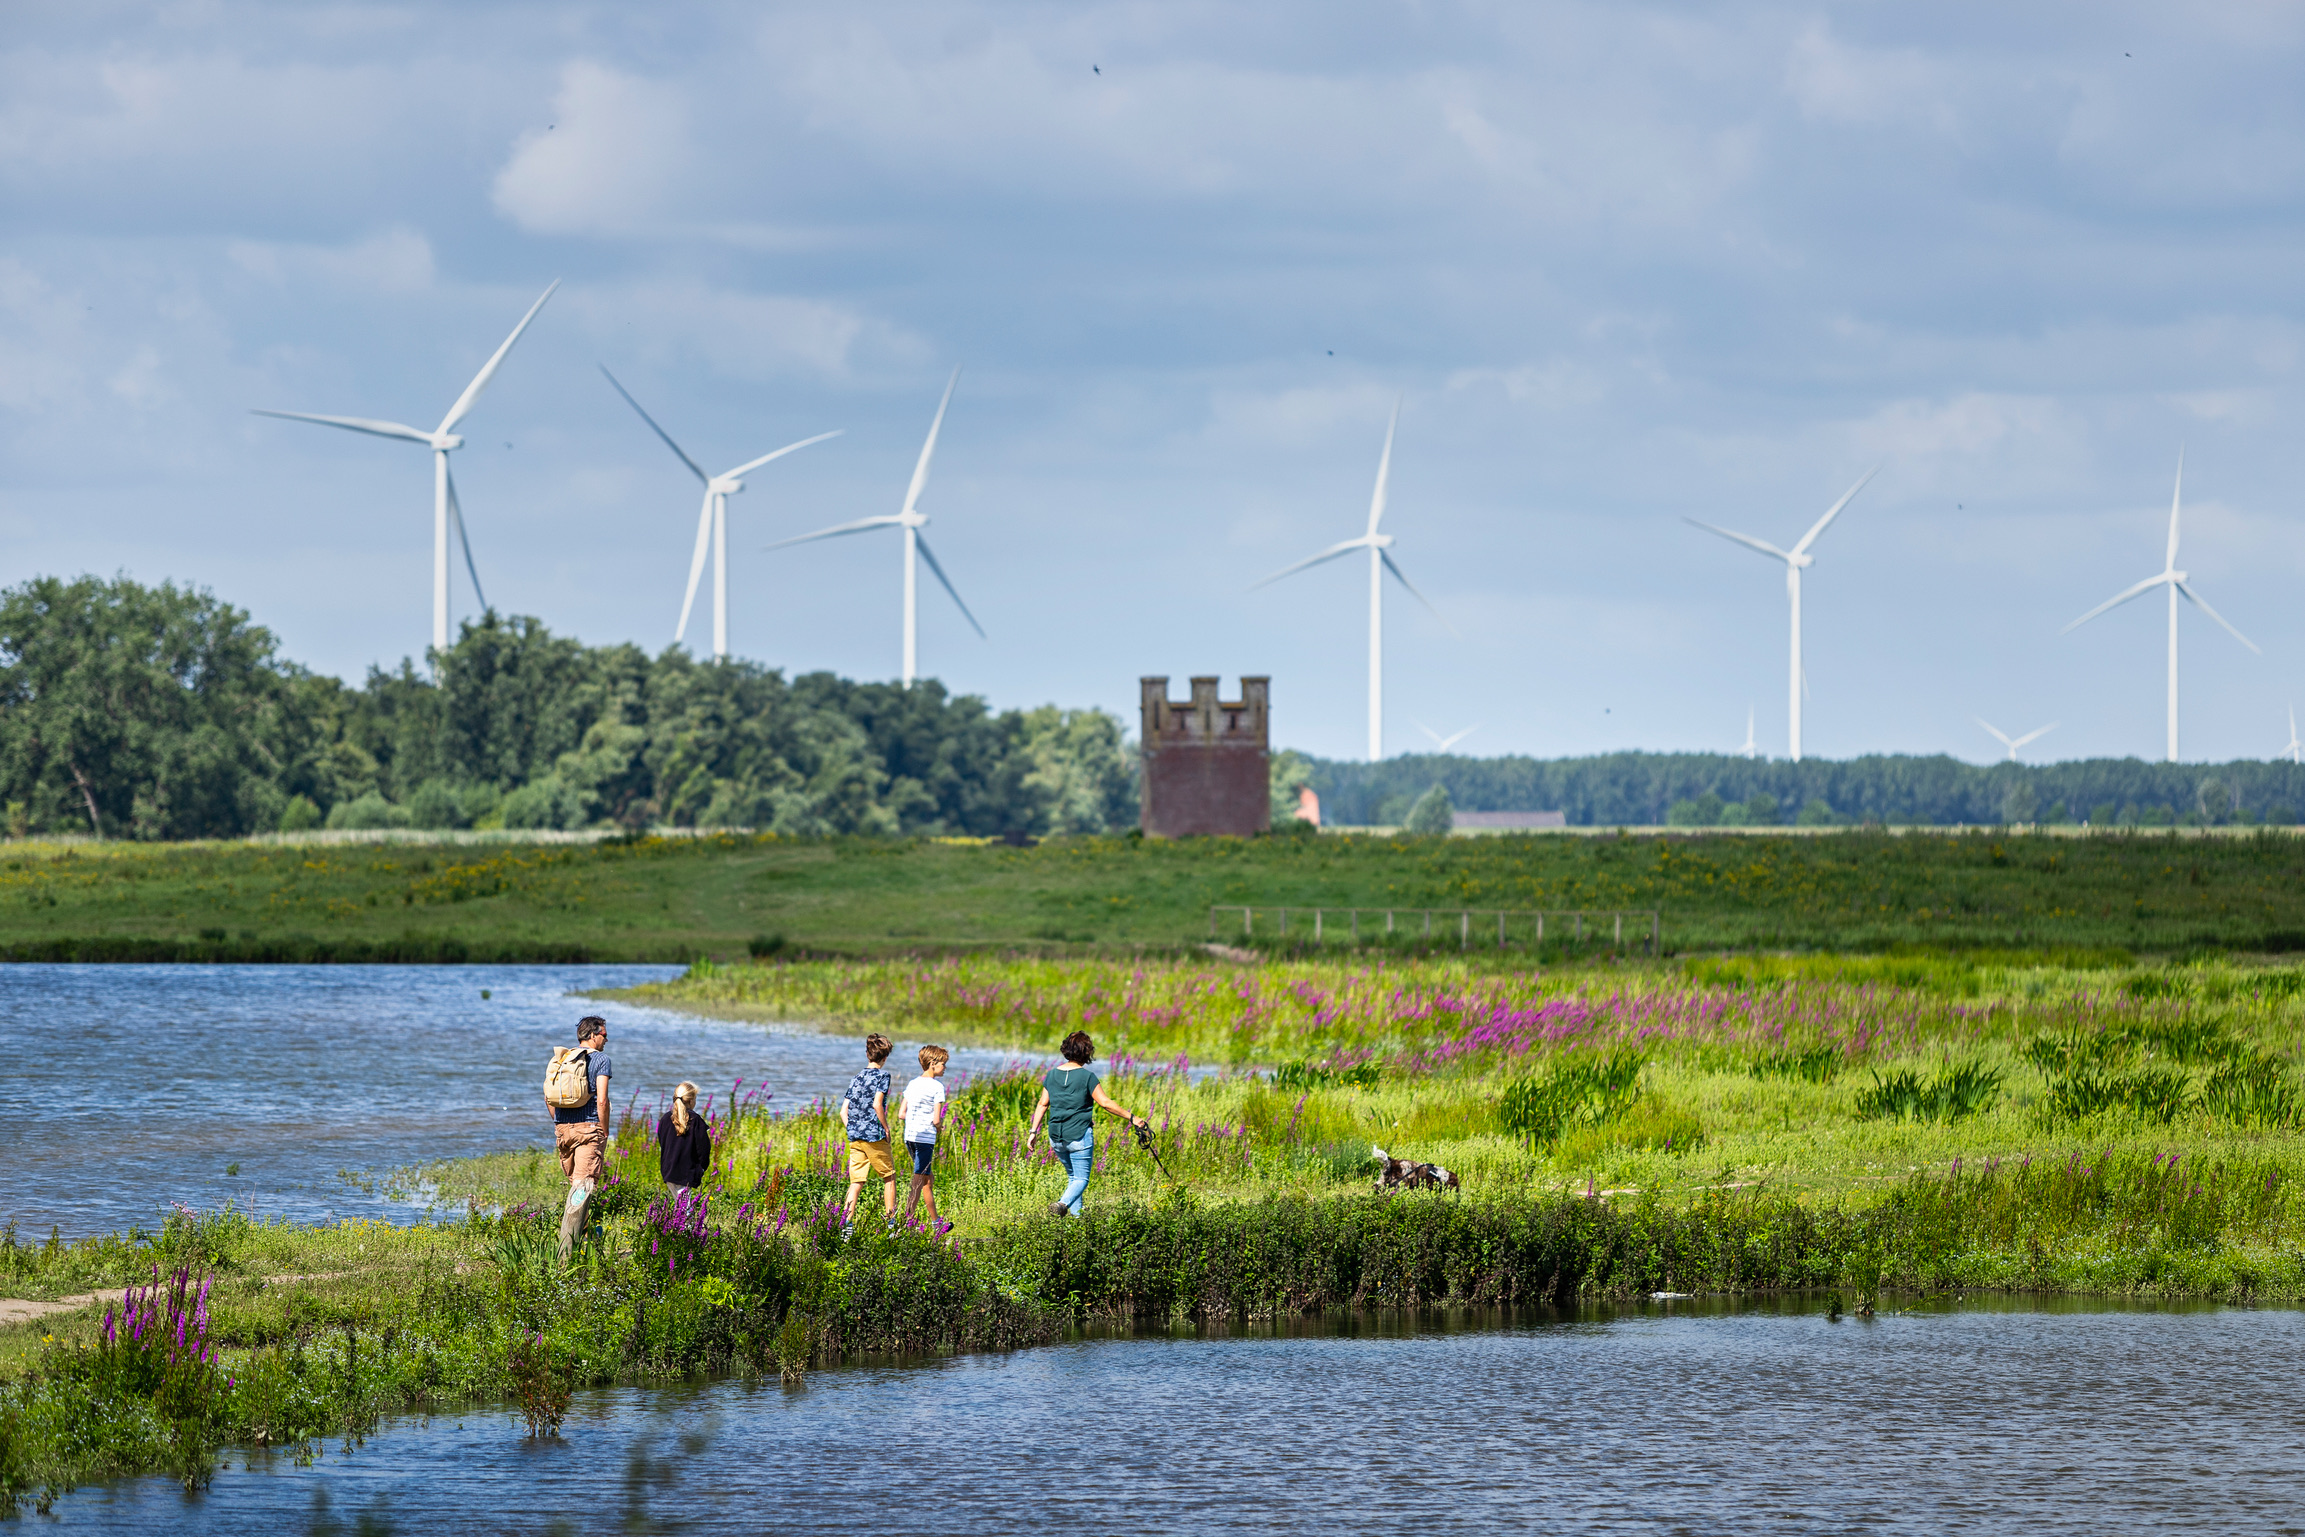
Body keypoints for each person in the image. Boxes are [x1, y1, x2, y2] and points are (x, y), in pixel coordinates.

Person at [1024, 1030, 1147, 1217]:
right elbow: (1105, 1103)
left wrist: (1033, 1132)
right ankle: (1061, 1204)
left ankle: (1077, 1223)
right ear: (1086, 1052)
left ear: (1066, 1050)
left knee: (1073, 1178)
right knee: (1081, 1179)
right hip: (1079, 1136)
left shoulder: (1051, 1075)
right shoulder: (1087, 1077)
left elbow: (1042, 1104)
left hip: (1056, 1137)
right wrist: (1133, 1118)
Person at [553, 1016, 613, 1261]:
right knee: (582, 1188)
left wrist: (558, 1124)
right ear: (592, 1035)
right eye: (604, 1034)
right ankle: (565, 1257)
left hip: (563, 1130)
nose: (606, 1039)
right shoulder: (600, 1059)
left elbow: (548, 1097)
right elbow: (602, 1100)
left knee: (576, 1189)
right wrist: (604, 1130)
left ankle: (586, 1239)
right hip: (589, 1129)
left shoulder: (563, 1057)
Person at [841, 1034, 898, 1226]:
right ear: (885, 1058)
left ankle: (846, 1226)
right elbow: (877, 1104)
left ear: (867, 1055)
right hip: (874, 1136)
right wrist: (886, 1128)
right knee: (889, 1177)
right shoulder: (883, 1076)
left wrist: (854, 1128)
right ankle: (891, 1225)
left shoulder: (856, 1077)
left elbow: (843, 1111)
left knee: (856, 1182)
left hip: (855, 1137)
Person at [899, 1045, 950, 1227]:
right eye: (943, 1064)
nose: (945, 1068)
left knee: (927, 1179)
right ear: (933, 1063)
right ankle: (905, 1222)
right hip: (925, 1139)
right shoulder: (937, 1087)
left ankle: (936, 1222)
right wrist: (939, 1127)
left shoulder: (912, 1083)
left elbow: (901, 1113)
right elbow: (937, 1119)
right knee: (918, 1181)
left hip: (910, 1137)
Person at [657, 1081, 712, 1192]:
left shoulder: (665, 1119)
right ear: (691, 1101)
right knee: (684, 1208)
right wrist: (701, 1169)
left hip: (668, 1172)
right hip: (687, 1174)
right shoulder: (696, 1120)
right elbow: (704, 1149)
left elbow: (662, 1142)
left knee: (680, 1207)